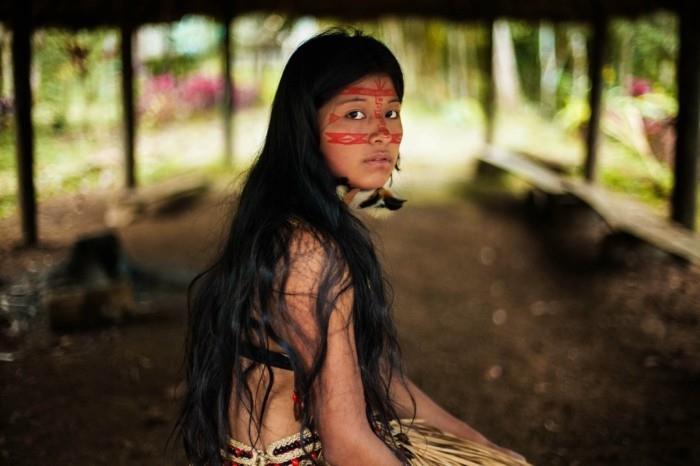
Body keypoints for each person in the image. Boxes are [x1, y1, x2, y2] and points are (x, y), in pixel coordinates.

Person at [175, 28, 530, 466]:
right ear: (307, 126)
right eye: (356, 115)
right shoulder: (306, 250)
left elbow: (377, 373)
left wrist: (480, 446)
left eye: (393, 113)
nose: (383, 133)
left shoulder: (301, 222)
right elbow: (345, 444)